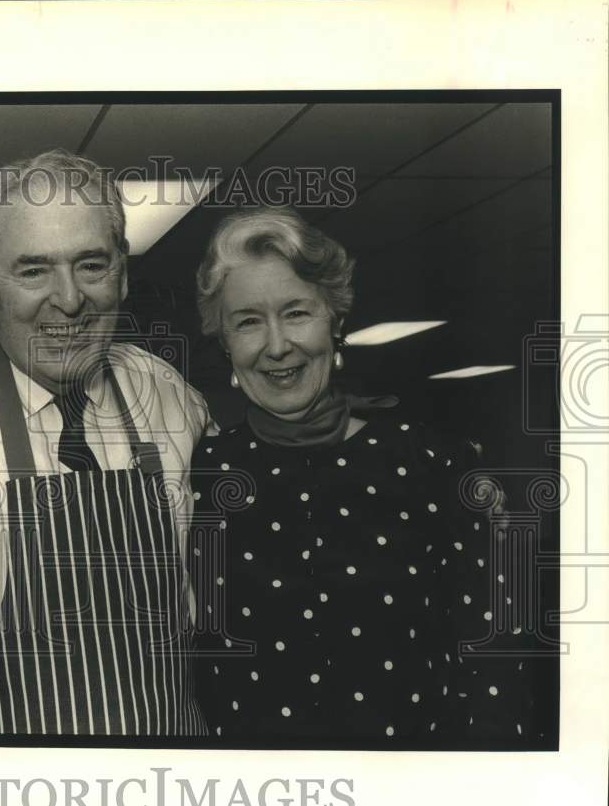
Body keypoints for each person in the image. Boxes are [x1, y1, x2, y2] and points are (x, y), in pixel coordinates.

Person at [188, 207, 532, 744]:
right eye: (248, 321)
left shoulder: (438, 465)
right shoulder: (206, 472)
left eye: (297, 312)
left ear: (336, 320)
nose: (277, 345)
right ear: (225, 342)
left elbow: (495, 661)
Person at [0, 149, 211, 735]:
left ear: (122, 272)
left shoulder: (173, 398)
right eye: (34, 270)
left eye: (90, 265)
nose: (68, 299)